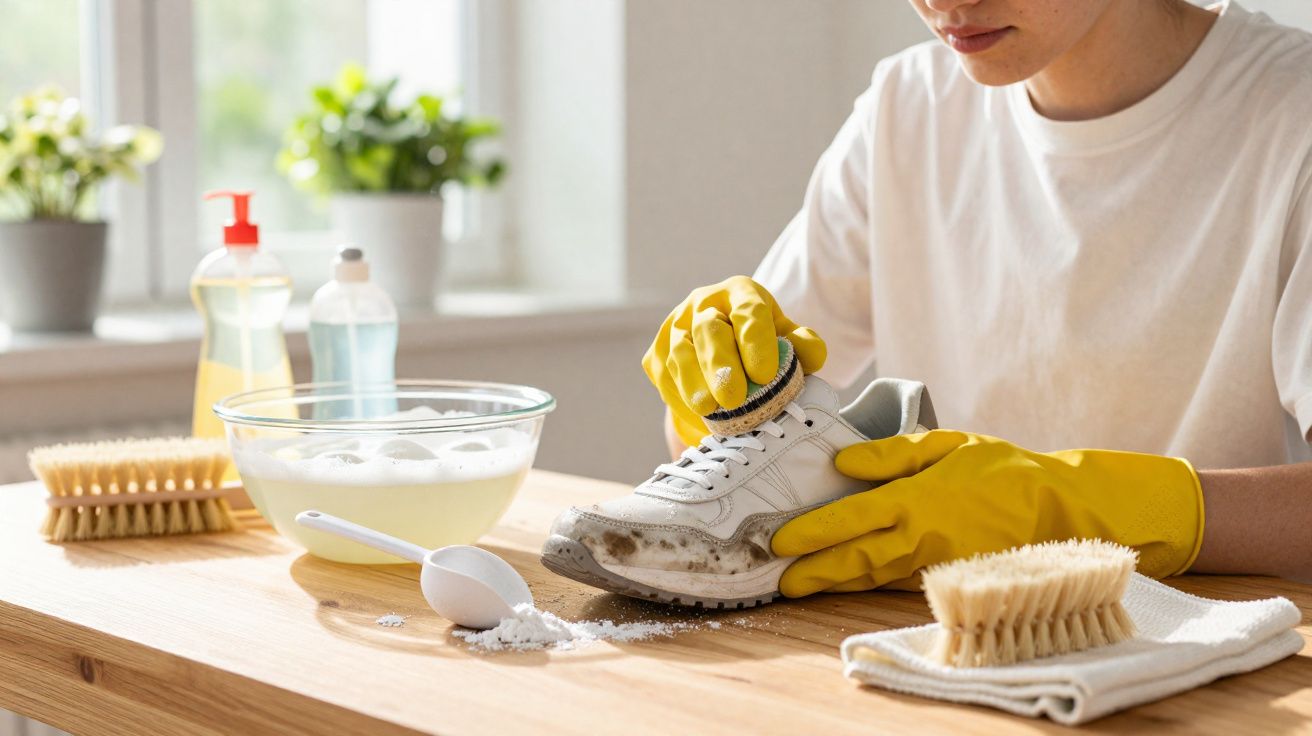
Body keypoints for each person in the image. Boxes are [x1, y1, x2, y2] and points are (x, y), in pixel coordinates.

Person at [643, 0, 1312, 597]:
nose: (946, 2)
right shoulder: (910, 106)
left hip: (1233, 670)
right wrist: (718, 390)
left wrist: (1072, 508)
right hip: (943, 645)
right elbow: (714, 452)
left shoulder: (1291, 112)